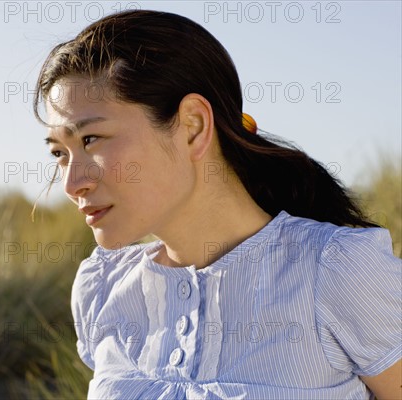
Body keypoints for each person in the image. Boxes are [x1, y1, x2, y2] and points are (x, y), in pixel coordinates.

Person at [33, 10, 402, 400]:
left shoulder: (336, 272)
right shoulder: (105, 289)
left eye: (91, 139)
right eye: (60, 152)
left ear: (193, 125)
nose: (72, 183)